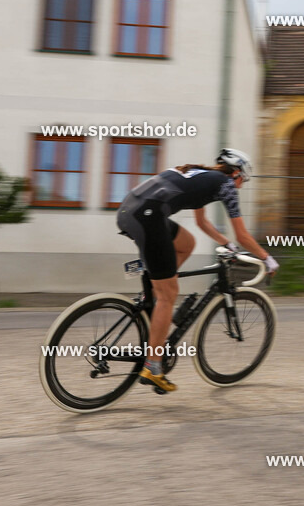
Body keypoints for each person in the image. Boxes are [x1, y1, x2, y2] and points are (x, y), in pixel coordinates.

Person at [116, 148, 278, 392]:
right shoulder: (226, 185)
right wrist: (267, 258)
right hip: (148, 217)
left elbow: (202, 223)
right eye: (243, 180)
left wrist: (227, 244)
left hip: (132, 211)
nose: (240, 186)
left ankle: (152, 290)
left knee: (186, 244)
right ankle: (153, 366)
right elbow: (244, 234)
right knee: (169, 294)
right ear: (236, 173)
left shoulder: (199, 174)